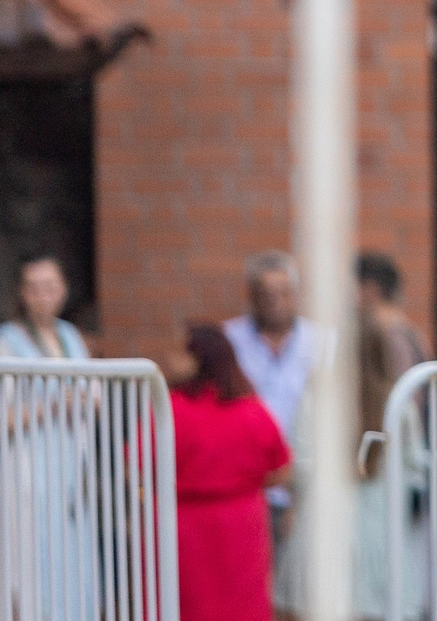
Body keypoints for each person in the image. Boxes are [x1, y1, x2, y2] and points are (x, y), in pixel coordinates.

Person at [0, 254, 102, 618]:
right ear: (22, 294)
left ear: (63, 290)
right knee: (23, 565)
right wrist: (48, 406)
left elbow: (94, 398)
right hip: (25, 476)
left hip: (68, 473)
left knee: (72, 560)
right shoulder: (5, 342)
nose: (43, 296)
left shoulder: (69, 336)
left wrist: (80, 403)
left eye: (50, 287)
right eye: (34, 288)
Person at [224, 247, 334, 614]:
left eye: (282, 292)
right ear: (251, 294)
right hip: (251, 487)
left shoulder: (323, 343)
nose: (274, 301)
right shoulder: (231, 341)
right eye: (264, 293)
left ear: (296, 294)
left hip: (306, 486)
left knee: (303, 593)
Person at [171, 322, 295, 621]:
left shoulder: (173, 409)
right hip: (243, 521)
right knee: (243, 606)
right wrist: (244, 482)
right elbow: (282, 469)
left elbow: (132, 466)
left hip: (185, 523)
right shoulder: (250, 409)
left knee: (191, 605)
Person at [354, 253, 432, 621]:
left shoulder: (387, 332)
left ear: (369, 288)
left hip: (387, 462)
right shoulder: (411, 331)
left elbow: (401, 398)